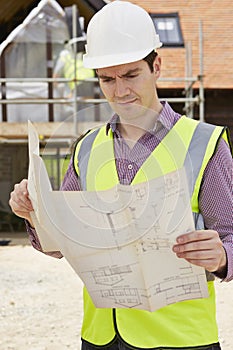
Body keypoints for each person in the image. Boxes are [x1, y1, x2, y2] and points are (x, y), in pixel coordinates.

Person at [9, 1, 232, 349]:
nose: (120, 91)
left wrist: (221, 257)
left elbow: (231, 236)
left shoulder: (205, 143)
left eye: (131, 75)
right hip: (100, 337)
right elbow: (60, 244)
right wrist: (35, 217)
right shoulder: (87, 148)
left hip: (180, 339)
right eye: (107, 80)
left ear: (156, 66)